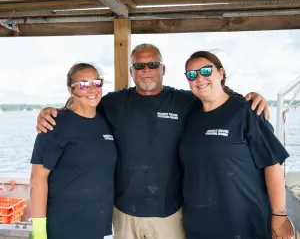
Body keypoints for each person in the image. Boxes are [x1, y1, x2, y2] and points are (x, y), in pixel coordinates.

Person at [36, 44, 269, 239]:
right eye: (139, 65)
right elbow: (83, 108)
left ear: (163, 69)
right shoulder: (113, 103)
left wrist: (249, 99)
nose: (146, 70)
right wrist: (53, 111)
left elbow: (216, 99)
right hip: (124, 213)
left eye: (153, 64)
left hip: (169, 212)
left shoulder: (185, 101)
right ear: (131, 71)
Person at [179, 51, 294, 239]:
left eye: (206, 71)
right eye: (192, 74)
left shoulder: (246, 111)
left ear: (221, 73)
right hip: (199, 224)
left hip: (244, 223)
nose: (200, 78)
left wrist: (279, 214)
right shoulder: (189, 116)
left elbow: (272, 163)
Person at [30, 63, 117, 239]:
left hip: (96, 225)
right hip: (64, 225)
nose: (92, 89)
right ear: (71, 90)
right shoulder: (54, 124)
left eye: (96, 83)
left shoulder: (106, 121)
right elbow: (38, 178)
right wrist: (39, 231)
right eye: (83, 85)